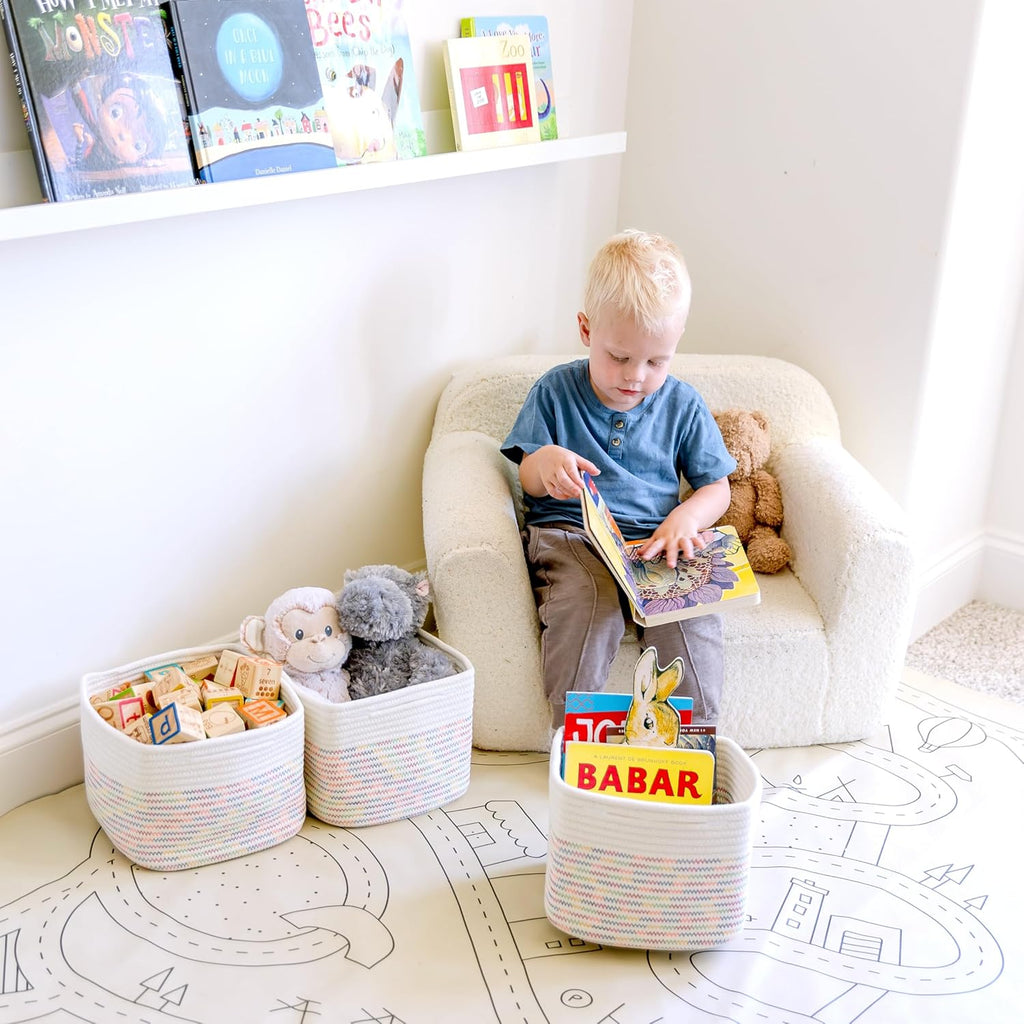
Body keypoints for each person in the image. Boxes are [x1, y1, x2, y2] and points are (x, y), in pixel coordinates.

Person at [500, 229, 736, 728]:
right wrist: (547, 465)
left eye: (657, 361)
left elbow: (717, 488)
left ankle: (693, 740)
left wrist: (684, 518)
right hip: (574, 536)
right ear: (586, 330)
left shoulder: (682, 404)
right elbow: (526, 473)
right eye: (620, 357)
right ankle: (574, 734)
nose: (635, 376)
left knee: (691, 621)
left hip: (654, 544)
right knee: (589, 608)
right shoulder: (555, 392)